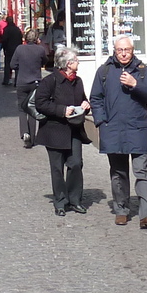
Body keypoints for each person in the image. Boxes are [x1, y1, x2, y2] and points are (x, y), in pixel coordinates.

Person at [90, 34, 147, 229]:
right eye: (120, 50)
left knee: (142, 171)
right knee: (118, 173)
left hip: (137, 128)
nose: (123, 54)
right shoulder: (104, 71)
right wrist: (101, 121)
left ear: (133, 50)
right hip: (112, 128)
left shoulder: (142, 71)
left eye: (127, 50)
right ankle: (121, 209)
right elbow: (95, 98)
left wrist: (135, 84)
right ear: (114, 51)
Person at [34, 47, 91, 215]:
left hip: (74, 130)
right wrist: (61, 110)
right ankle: (60, 201)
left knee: (75, 164)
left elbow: (82, 100)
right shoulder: (50, 81)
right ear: (68, 64)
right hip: (54, 131)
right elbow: (41, 103)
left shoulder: (77, 81)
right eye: (76, 61)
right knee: (57, 167)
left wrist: (85, 106)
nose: (78, 62)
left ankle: (75, 200)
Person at [10, 28, 51, 147]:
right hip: (35, 83)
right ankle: (32, 138)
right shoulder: (40, 50)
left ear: (25, 39)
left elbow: (13, 64)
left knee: (22, 109)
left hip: (22, 82)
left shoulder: (19, 49)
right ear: (37, 39)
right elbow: (46, 60)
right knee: (32, 108)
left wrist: (20, 66)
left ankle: (25, 132)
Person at [0, 17, 23, 85]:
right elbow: (20, 39)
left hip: (9, 49)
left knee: (7, 65)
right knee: (17, 65)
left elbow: (4, 40)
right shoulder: (17, 29)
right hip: (17, 49)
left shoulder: (6, 29)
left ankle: (6, 80)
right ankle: (17, 81)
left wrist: (4, 48)